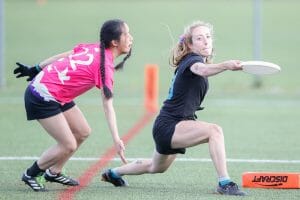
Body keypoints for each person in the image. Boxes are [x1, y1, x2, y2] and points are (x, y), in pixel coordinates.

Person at [101, 21, 246, 196]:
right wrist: (226, 65)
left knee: (155, 166)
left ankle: (114, 173)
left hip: (167, 125)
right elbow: (202, 70)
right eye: (199, 38)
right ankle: (225, 182)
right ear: (190, 44)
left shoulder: (190, 61)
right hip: (172, 124)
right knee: (214, 131)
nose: (206, 41)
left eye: (208, 37)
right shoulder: (193, 61)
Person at [13, 19, 133, 192]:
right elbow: (108, 106)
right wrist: (116, 139)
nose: (130, 38)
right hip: (41, 95)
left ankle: (54, 172)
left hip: (56, 92)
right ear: (114, 42)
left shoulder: (96, 48)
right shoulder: (104, 67)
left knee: (82, 131)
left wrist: (37, 68)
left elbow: (63, 56)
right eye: (126, 34)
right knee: (68, 144)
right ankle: (31, 174)